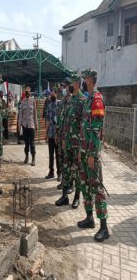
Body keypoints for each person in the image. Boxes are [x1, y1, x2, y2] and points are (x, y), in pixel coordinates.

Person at [78, 69, 109, 242]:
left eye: (85, 78)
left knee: (97, 188)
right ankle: (90, 219)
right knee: (85, 185)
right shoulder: (88, 99)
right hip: (83, 151)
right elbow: (84, 127)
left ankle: (104, 227)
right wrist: (81, 152)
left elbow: (96, 130)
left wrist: (91, 154)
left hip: (91, 153)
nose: (83, 81)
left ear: (90, 80)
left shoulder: (97, 99)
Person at [55, 75, 86, 209]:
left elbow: (84, 126)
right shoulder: (70, 100)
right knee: (66, 170)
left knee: (77, 172)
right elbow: (65, 121)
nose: (69, 87)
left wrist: (81, 147)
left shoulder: (83, 101)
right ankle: (64, 197)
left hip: (76, 145)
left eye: (72, 84)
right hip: (66, 143)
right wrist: (62, 138)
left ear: (77, 85)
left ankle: (77, 197)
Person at [55, 79, 72, 190]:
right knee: (61, 160)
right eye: (62, 87)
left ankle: (70, 184)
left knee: (69, 162)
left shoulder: (72, 102)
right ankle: (64, 182)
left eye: (65, 86)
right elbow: (58, 120)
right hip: (61, 137)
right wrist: (57, 134)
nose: (63, 89)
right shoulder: (61, 102)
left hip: (69, 138)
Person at [19, 86, 38, 166]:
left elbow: (35, 113)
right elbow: (20, 115)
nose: (27, 93)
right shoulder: (22, 102)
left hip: (31, 125)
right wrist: (19, 125)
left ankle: (33, 159)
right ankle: (26, 157)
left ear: (30, 93)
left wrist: (36, 124)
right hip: (25, 125)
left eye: (28, 92)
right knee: (26, 143)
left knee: (32, 143)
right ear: (25, 93)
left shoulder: (33, 101)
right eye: (26, 92)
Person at [45, 89, 61, 179]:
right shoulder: (49, 106)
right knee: (51, 154)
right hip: (51, 134)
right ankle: (51, 172)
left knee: (58, 155)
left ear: (57, 94)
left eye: (54, 92)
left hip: (58, 135)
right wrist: (46, 133)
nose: (52, 94)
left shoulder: (60, 105)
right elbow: (47, 120)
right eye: (51, 92)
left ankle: (59, 173)